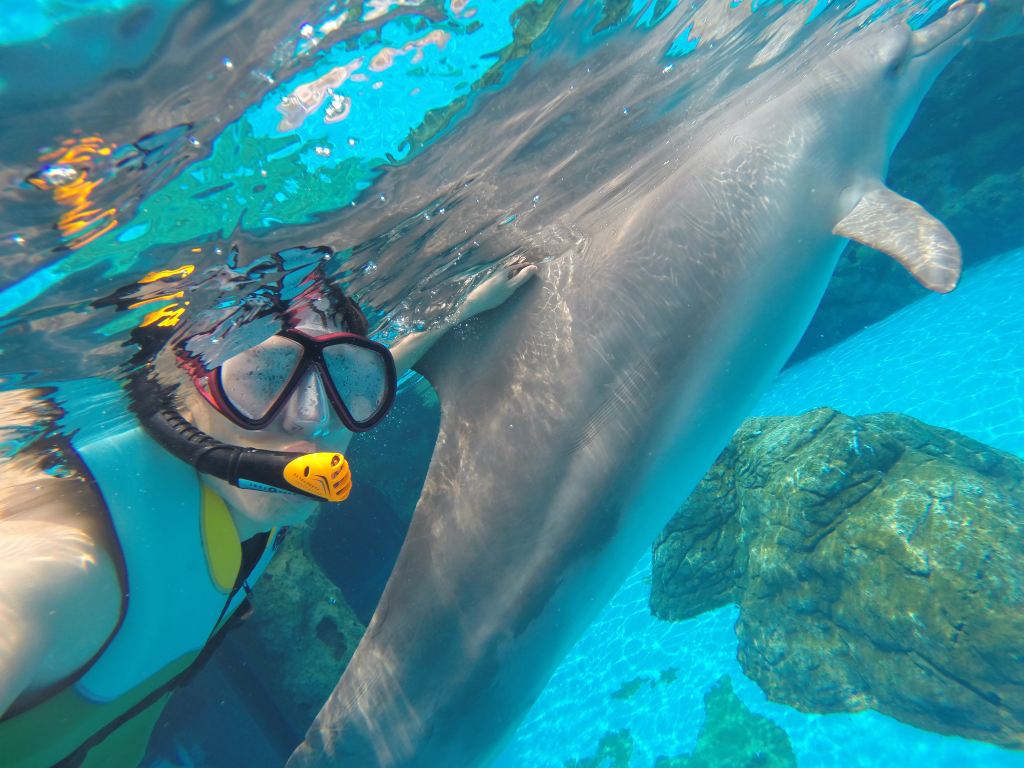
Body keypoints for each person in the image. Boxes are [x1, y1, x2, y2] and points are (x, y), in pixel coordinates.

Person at [0, 257, 536, 768]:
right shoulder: (66, 577)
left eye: (346, 379)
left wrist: (456, 311)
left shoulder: (246, 482)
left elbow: (368, 372)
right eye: (262, 375)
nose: (313, 420)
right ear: (182, 392)